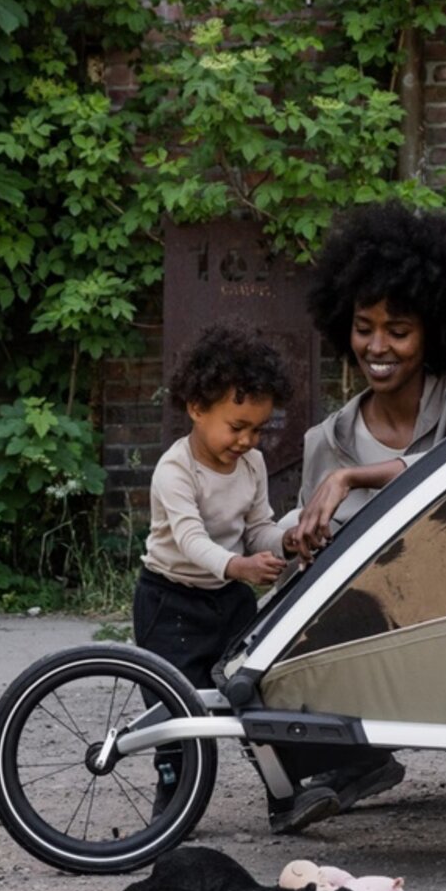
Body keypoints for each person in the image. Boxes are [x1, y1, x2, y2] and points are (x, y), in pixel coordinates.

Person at [267, 200, 446, 833]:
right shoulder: (327, 441)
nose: (377, 347)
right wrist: (295, 541)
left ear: (433, 330)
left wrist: (355, 477)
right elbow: (312, 554)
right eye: (363, 327)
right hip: (383, 625)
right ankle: (353, 761)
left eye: (398, 330)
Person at [134, 326, 308, 820]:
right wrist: (239, 566)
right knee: (175, 707)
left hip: (229, 599)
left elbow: (258, 528)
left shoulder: (252, 465)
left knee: (255, 692)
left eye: (258, 429)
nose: (247, 440)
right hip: (171, 601)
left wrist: (285, 542)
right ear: (197, 408)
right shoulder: (176, 470)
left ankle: (285, 795)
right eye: (237, 427)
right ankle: (172, 801)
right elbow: (190, 541)